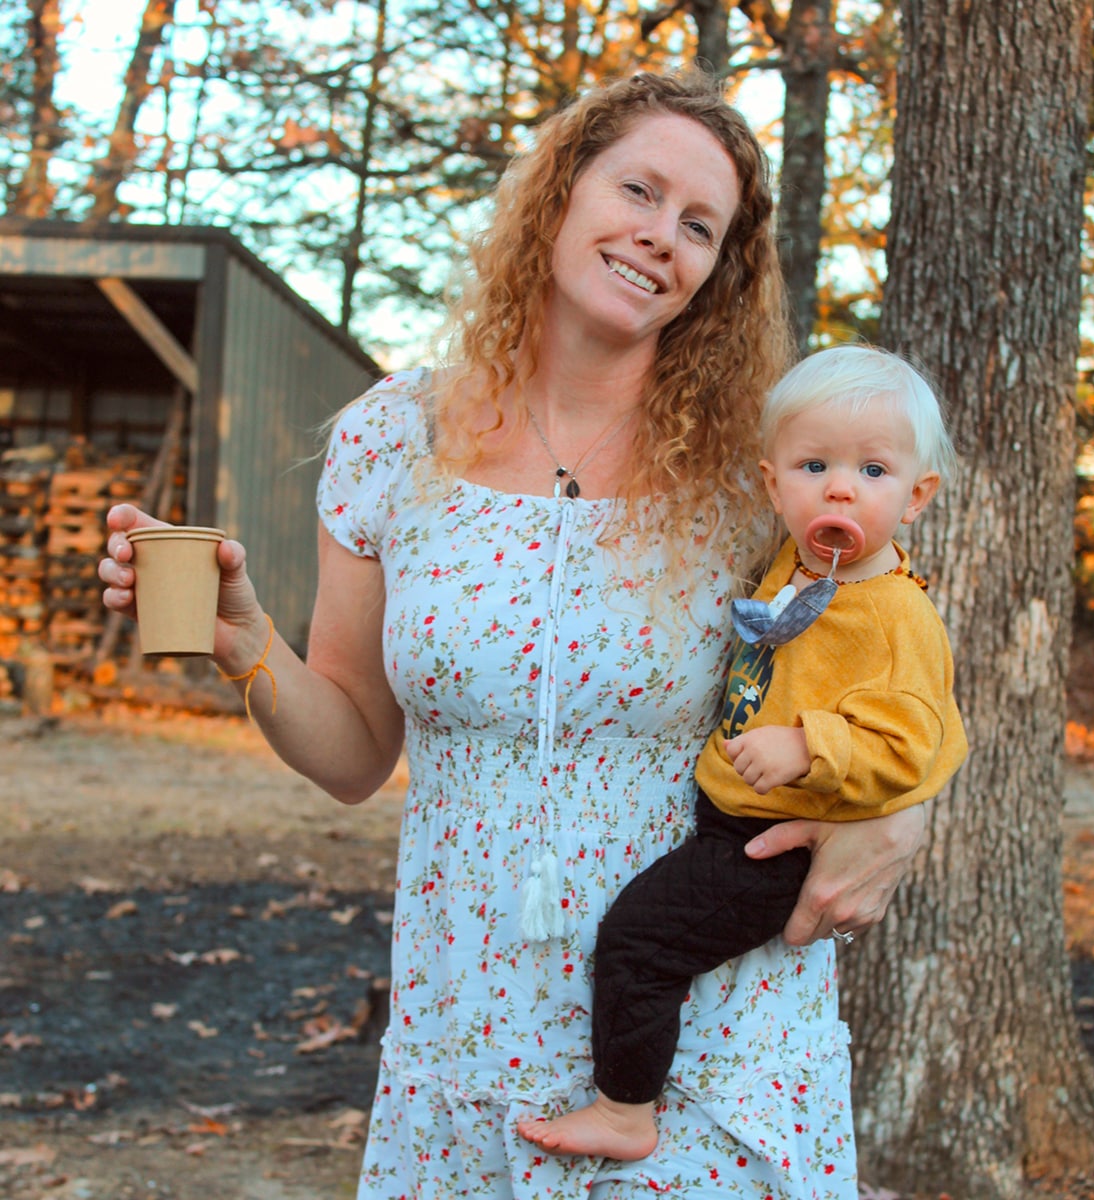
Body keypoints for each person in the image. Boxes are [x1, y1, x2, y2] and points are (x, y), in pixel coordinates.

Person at [99, 72, 930, 1199]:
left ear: (719, 272)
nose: (659, 238)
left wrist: (907, 809)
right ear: (559, 191)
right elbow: (352, 755)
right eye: (637, 189)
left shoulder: (761, 472)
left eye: (699, 226)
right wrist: (245, 643)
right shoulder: (395, 437)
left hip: (706, 1040)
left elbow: (895, 636)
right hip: (465, 1027)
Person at [516, 343, 969, 1162]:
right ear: (772, 483)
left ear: (916, 496)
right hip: (729, 815)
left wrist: (808, 746)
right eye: (814, 464)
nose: (840, 487)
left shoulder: (897, 616)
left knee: (641, 941)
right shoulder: (800, 563)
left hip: (771, 845)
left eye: (873, 471)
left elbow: (917, 742)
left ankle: (625, 1113)